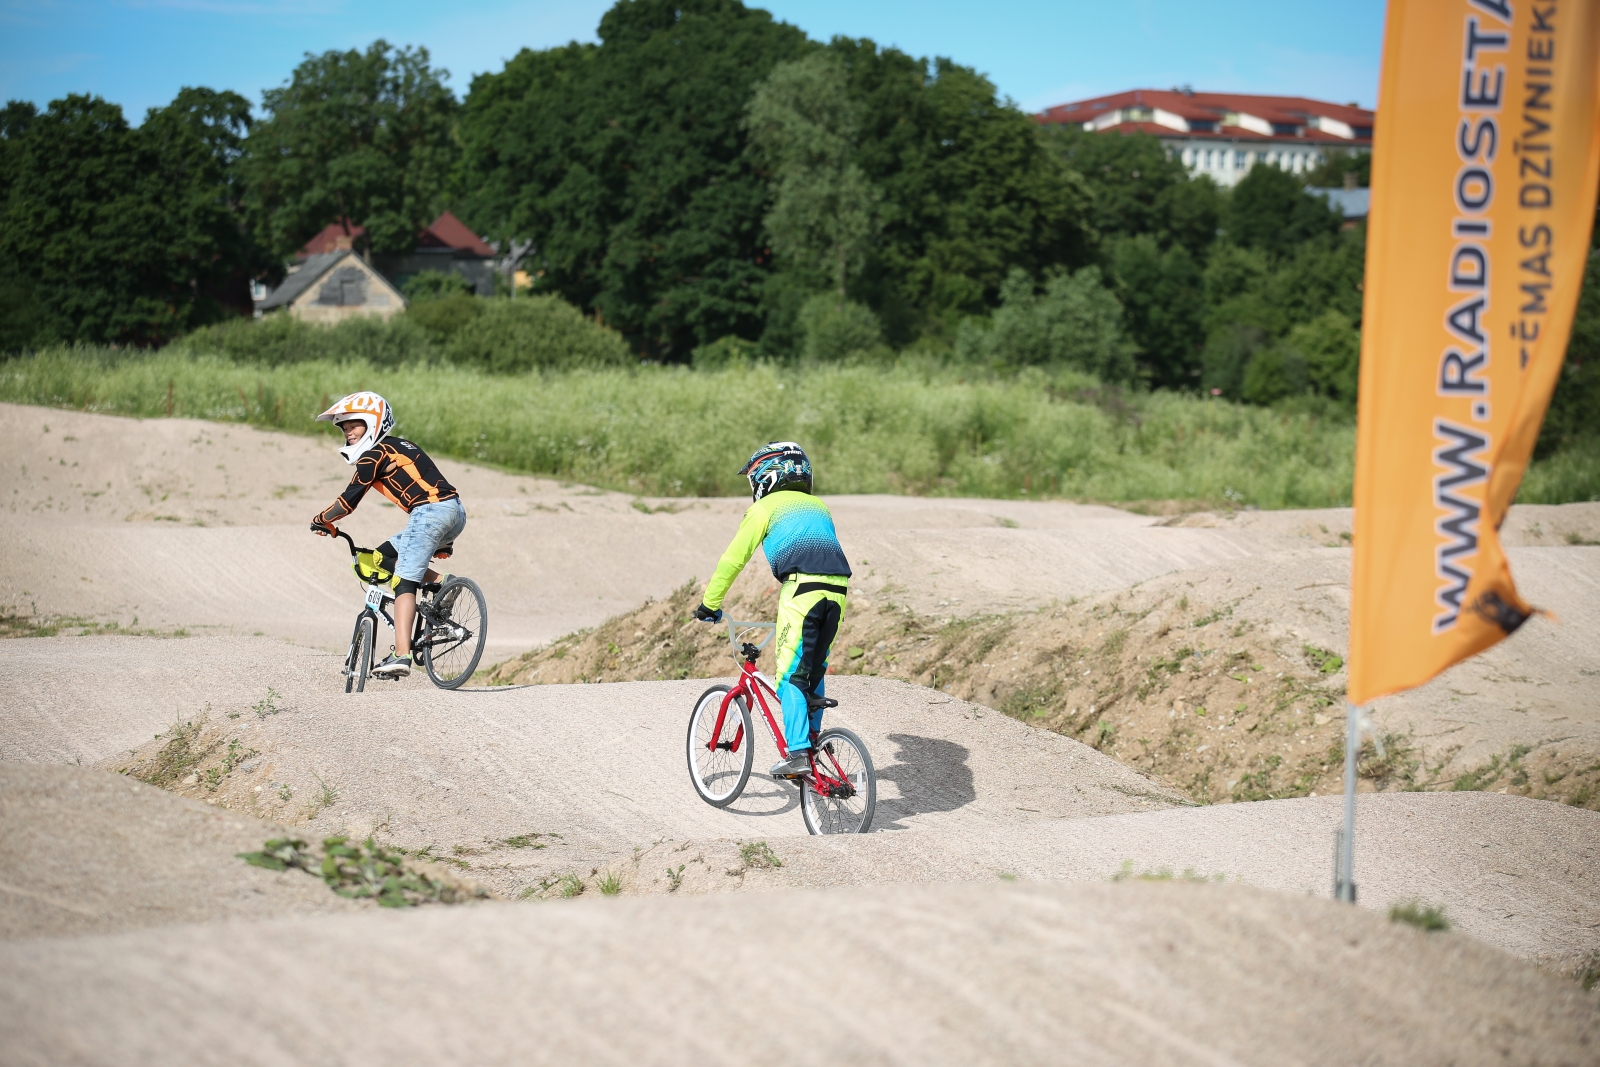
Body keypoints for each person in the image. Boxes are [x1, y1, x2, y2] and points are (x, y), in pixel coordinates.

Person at [694, 442, 851, 777]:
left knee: (791, 675)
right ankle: (812, 740)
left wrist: (710, 605)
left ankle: (797, 753)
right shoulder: (820, 507)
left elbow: (733, 560)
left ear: (768, 476)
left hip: (802, 590)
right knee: (815, 668)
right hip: (838, 591)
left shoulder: (765, 509)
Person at [309, 392, 466, 679]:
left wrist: (322, 520)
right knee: (383, 556)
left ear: (373, 424)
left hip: (429, 513)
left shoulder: (374, 454)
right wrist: (447, 540)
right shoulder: (400, 445)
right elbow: (435, 484)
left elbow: (349, 500)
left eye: (354, 425)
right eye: (343, 428)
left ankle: (401, 654)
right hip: (453, 511)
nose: (348, 432)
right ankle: (444, 582)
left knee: (403, 580)